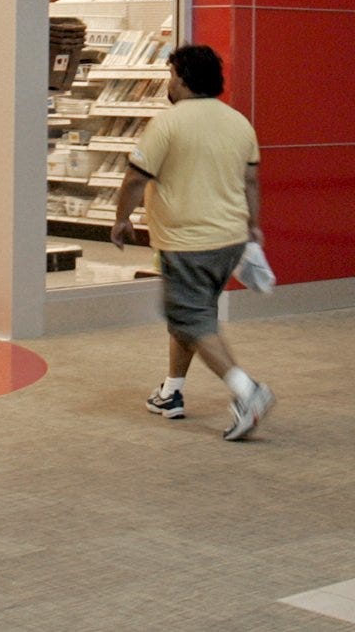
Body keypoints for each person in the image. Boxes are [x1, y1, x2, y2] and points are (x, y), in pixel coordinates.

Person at [110, 43, 273, 441]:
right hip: (229, 241)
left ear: (182, 79)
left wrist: (121, 219)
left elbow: (135, 178)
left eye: (171, 75)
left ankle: (248, 392)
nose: (169, 83)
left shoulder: (168, 123)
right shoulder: (239, 122)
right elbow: (251, 181)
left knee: (190, 318)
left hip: (186, 243)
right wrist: (253, 226)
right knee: (194, 314)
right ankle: (171, 392)